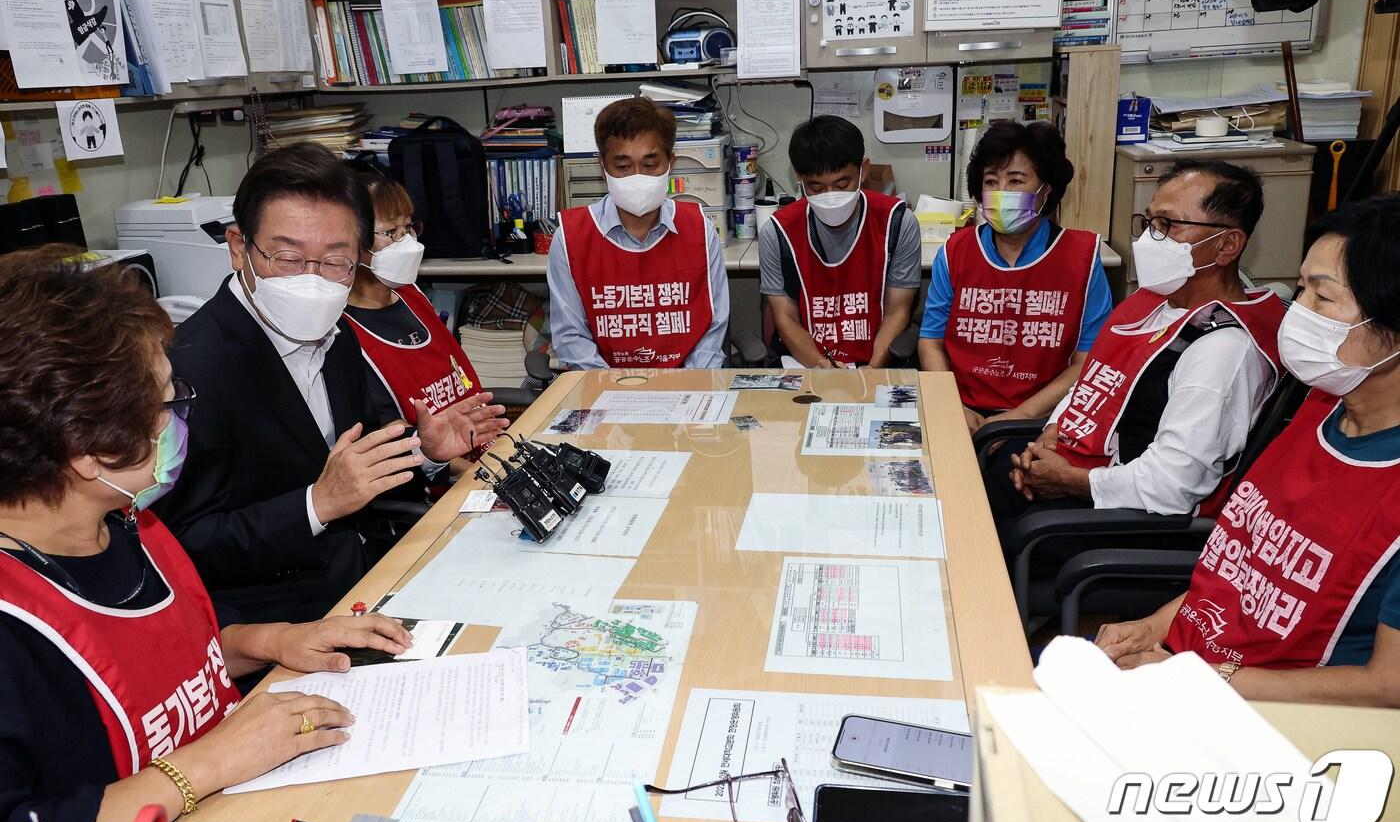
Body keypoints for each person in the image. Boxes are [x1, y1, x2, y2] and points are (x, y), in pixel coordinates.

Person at [0, 247, 416, 822]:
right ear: (87, 449)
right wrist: (208, 763)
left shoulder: (125, 522)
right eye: (165, 403)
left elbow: (160, 660)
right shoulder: (15, 625)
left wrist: (273, 640)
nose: (177, 419)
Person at [154, 143, 506, 625]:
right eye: (288, 257)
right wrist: (315, 505)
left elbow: (357, 465)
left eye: (336, 261)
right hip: (273, 619)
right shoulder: (187, 371)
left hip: (363, 579)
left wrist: (423, 451)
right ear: (238, 248)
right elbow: (179, 546)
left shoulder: (336, 334)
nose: (313, 282)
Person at [1095, 198, 1400, 704]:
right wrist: (1152, 628)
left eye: (1323, 298)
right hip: (1187, 670)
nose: (1298, 311)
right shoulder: (1318, 409)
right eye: (1301, 289)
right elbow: (1241, 573)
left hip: (1271, 714)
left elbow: (1388, 685)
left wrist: (1195, 680)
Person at [994, 159, 1286, 523]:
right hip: (1077, 469)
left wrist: (1068, 480)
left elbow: (1173, 484)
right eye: (1149, 222)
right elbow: (1094, 384)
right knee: (978, 474)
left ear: (1227, 245)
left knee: (980, 513)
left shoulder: (1223, 349)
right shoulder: (1153, 301)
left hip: (1123, 517)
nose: (1149, 239)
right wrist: (1051, 435)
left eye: (1167, 225)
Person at [919, 121, 1112, 434]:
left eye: (1016, 180)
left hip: (1042, 419)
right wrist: (953, 406)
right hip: (960, 408)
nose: (1000, 193)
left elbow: (1087, 360)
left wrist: (1020, 416)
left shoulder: (1083, 257)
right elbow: (931, 342)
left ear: (1046, 189)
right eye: (991, 181)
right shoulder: (955, 252)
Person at [547, 96, 730, 369]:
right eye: (623, 167)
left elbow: (712, 329)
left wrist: (690, 385)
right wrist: (613, 389)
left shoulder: (700, 231)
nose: (637, 177)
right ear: (602, 167)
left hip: (687, 385)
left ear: (670, 163)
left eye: (650, 165)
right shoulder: (570, 239)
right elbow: (571, 338)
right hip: (603, 385)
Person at [759, 115, 921, 368]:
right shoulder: (778, 232)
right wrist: (820, 365)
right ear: (799, 177)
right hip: (808, 363)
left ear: (863, 170)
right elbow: (785, 318)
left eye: (842, 183)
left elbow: (897, 311)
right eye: (816, 187)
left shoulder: (897, 222)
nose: (830, 197)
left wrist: (872, 368)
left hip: (874, 360)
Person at [343, 169, 499, 433]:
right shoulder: (345, 332)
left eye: (408, 228)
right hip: (432, 456)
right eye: (391, 231)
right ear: (350, 239)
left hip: (485, 439)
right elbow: (395, 439)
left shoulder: (412, 294)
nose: (406, 242)